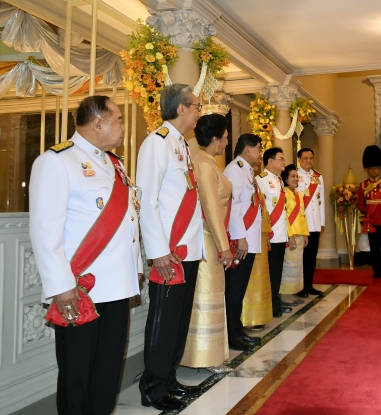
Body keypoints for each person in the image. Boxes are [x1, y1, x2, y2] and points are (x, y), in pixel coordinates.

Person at [29, 96, 142, 415]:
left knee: (107, 372)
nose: (122, 126)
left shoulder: (114, 163)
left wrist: (134, 271)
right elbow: (44, 229)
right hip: (80, 290)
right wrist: (61, 286)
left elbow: (127, 222)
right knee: (77, 375)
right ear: (98, 123)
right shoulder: (56, 161)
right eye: (119, 119)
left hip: (116, 287)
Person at [137, 84, 204, 411]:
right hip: (170, 253)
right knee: (163, 323)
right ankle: (153, 387)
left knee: (178, 322)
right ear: (181, 109)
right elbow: (146, 202)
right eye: (196, 105)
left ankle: (169, 377)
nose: (199, 111)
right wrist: (158, 251)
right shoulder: (156, 144)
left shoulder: (181, 145)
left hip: (187, 250)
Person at [180, 114, 233, 373]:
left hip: (213, 235)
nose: (226, 141)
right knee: (207, 294)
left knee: (212, 293)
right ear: (215, 140)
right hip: (206, 236)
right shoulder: (203, 164)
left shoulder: (208, 162)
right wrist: (224, 246)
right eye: (224, 136)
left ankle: (209, 354)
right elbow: (210, 207)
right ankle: (204, 356)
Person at [223, 133, 264, 351]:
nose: (259, 154)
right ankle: (232, 334)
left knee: (240, 289)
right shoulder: (234, 169)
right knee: (234, 288)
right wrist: (240, 238)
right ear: (247, 149)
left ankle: (237, 329)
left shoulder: (246, 171)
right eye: (258, 149)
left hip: (249, 238)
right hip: (241, 241)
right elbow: (234, 206)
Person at [257, 147, 294, 317]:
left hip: (280, 234)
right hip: (269, 235)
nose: (283, 162)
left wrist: (288, 234)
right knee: (270, 271)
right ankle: (269, 304)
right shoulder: (260, 180)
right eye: (281, 159)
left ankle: (275, 301)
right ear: (270, 161)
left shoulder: (279, 181)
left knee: (277, 270)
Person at [358, 145, 381, 278]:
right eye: (370, 169)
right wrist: (364, 218)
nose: (373, 171)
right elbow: (361, 204)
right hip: (371, 222)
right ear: (367, 169)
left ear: (380, 168)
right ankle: (377, 271)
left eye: (376, 168)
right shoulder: (363, 185)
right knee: (374, 248)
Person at [296, 148, 325, 297]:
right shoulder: (295, 176)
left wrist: (322, 221)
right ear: (299, 159)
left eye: (311, 158)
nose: (309, 161)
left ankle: (309, 285)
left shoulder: (318, 176)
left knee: (312, 256)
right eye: (305, 158)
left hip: (314, 223)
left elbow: (321, 201)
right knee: (301, 256)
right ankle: (300, 287)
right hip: (302, 223)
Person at [280, 164, 310, 302]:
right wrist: (290, 236)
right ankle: (285, 294)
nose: (296, 179)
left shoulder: (298, 193)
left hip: (299, 234)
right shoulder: (284, 193)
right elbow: (285, 216)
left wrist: (305, 234)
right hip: (290, 235)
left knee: (297, 267)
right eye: (293, 176)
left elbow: (302, 216)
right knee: (289, 266)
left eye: (297, 176)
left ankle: (293, 292)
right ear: (286, 179)